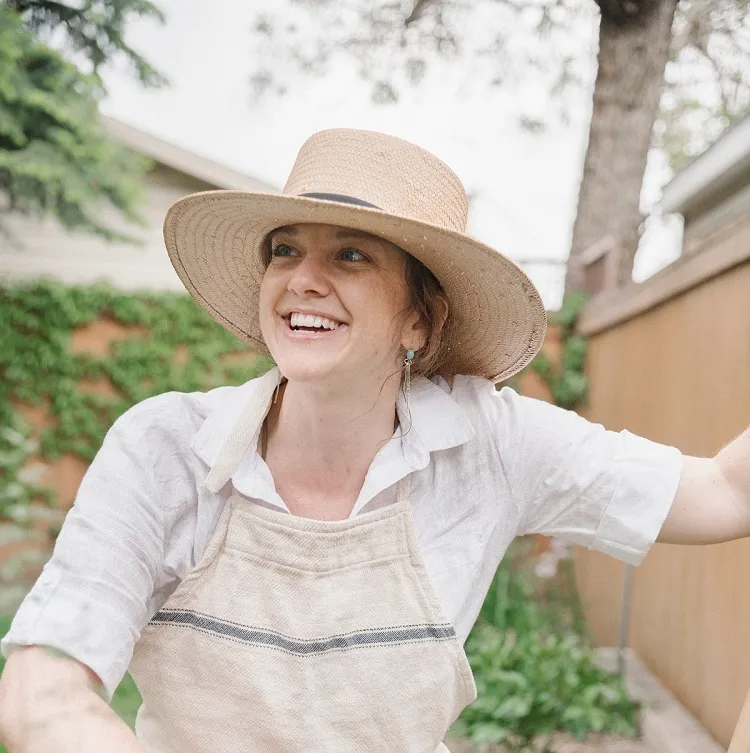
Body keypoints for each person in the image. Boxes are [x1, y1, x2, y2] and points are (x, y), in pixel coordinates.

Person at [0, 128, 748, 753]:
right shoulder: (166, 448)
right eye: (285, 249)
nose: (303, 279)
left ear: (419, 319)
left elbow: (724, 490)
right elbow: (43, 682)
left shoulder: (488, 442)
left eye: (351, 254)